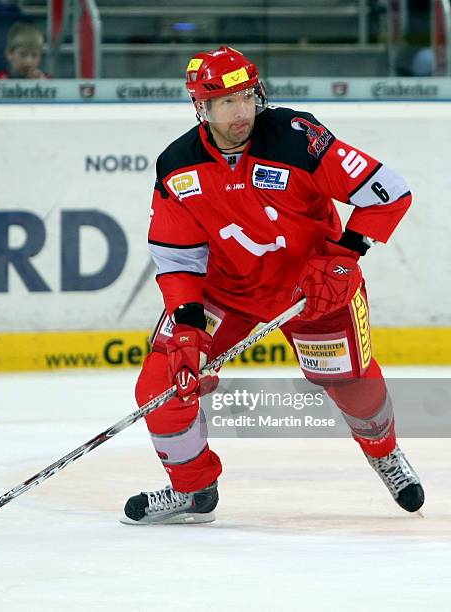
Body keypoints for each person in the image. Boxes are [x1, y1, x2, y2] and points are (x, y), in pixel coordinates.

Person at [121, 46, 424, 525]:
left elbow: (389, 190)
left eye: (246, 97)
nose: (241, 112)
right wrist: (186, 323)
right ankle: (193, 488)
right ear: (202, 107)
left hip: (316, 290)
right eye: (225, 103)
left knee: (352, 386)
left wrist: (344, 257)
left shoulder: (297, 138)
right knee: (163, 384)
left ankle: (384, 452)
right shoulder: (177, 167)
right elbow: (178, 259)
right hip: (225, 294)